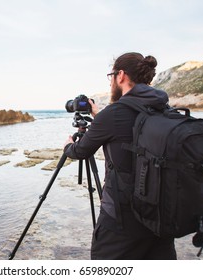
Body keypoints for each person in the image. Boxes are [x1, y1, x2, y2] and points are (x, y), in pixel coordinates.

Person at [63, 52, 177, 260]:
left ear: (121, 75)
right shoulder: (163, 109)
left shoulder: (114, 114)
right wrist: (100, 116)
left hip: (122, 222)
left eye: (111, 76)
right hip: (161, 217)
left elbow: (81, 151)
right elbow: (133, 130)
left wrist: (68, 146)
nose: (110, 83)